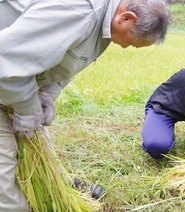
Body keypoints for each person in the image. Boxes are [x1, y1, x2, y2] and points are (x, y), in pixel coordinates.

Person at [0, 0, 170, 211]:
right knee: (4, 164)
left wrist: (46, 95)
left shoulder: (107, 24)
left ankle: (57, 184)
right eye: (132, 42)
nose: (127, 47)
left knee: (39, 146)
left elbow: (65, 61)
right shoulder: (77, 12)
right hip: (6, 75)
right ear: (127, 18)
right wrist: (27, 108)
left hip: (15, 78)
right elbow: (5, 63)